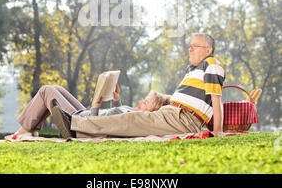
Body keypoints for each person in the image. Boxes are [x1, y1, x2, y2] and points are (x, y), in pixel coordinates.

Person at [51, 33, 225, 139]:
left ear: (208, 50)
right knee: (129, 121)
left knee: (130, 119)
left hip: (183, 119)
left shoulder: (212, 64)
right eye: (190, 46)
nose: (190, 49)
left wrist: (218, 132)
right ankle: (76, 129)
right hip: (172, 113)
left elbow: (216, 100)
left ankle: (74, 123)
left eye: (195, 46)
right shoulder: (194, 70)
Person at [4, 81, 167, 140]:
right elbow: (117, 117)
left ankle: (24, 130)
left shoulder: (136, 118)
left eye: (145, 102)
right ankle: (31, 130)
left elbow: (99, 125)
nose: (140, 101)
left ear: (150, 110)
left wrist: (96, 105)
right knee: (56, 88)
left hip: (82, 122)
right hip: (86, 116)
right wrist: (116, 98)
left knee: (47, 90)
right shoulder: (134, 114)